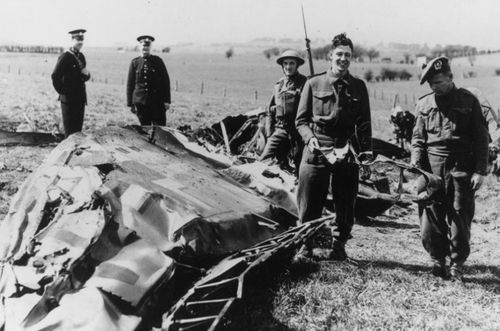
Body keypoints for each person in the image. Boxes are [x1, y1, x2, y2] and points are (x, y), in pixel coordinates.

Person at [295, 33, 372, 260]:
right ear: (330, 55)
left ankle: (339, 247)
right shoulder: (313, 83)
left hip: (346, 149)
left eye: (347, 55)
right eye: (339, 54)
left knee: (346, 202)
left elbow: (364, 123)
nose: (343, 59)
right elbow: (300, 121)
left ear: (352, 57)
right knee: (309, 201)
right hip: (317, 148)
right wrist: (309, 138)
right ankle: (305, 246)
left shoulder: (358, 86)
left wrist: (366, 155)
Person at [411, 56, 489, 280]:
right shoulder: (424, 104)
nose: (435, 87)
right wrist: (416, 162)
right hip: (431, 169)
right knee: (430, 216)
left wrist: (480, 170)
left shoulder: (469, 101)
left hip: (460, 168)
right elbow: (418, 139)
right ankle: (437, 260)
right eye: (432, 84)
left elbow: (481, 139)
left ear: (450, 77)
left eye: (439, 82)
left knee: (459, 218)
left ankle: (457, 263)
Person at [260, 50, 307, 174]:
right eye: (285, 63)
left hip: (298, 131)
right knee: (263, 159)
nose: (288, 67)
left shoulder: (305, 83)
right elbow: (269, 111)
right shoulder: (279, 85)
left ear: (297, 65)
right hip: (280, 129)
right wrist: (270, 134)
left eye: (292, 63)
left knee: (300, 166)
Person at [51, 29, 91, 137]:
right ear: (72, 40)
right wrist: (63, 92)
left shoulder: (81, 57)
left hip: (80, 98)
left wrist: (87, 75)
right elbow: (55, 76)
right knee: (69, 132)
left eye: (82, 40)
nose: (80, 42)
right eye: (78, 39)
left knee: (78, 131)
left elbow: (83, 77)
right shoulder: (66, 57)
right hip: (68, 101)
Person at [127, 35, 171, 125]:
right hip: (141, 103)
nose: (145, 49)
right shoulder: (135, 63)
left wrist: (167, 101)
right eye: (143, 47)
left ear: (150, 48)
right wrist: (130, 104)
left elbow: (165, 82)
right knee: (144, 130)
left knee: (160, 130)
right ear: (139, 47)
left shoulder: (158, 61)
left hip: (157, 103)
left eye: (147, 47)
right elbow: (130, 84)